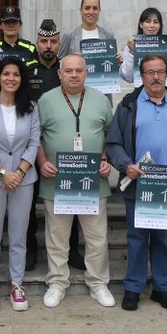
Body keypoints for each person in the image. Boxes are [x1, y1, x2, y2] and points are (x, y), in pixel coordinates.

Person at [106, 54, 167, 311]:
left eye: (160, 72)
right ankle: (133, 288)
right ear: (142, 76)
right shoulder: (128, 105)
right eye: (150, 72)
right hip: (138, 183)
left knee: (161, 238)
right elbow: (113, 143)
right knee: (136, 238)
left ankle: (162, 287)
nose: (156, 77)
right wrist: (127, 165)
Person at [36, 54, 114, 309]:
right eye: (68, 71)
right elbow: (35, 136)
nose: (73, 75)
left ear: (86, 73)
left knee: (97, 237)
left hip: (93, 181)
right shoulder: (45, 100)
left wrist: (106, 159)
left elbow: (111, 135)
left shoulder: (100, 100)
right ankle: (57, 282)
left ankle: (98, 283)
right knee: (57, 236)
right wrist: (42, 162)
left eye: (78, 70)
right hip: (57, 181)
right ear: (59, 74)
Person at [0, 57, 39, 312]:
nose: (11, 78)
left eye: (16, 74)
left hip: (23, 181)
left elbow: (34, 143)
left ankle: (17, 284)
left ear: (21, 79)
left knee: (18, 236)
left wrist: (19, 172)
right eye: (6, 74)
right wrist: (3, 172)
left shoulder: (31, 107)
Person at [26, 20, 84, 272]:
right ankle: (30, 249)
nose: (48, 46)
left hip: (64, 149)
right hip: (32, 147)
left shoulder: (67, 71)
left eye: (53, 41)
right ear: (37, 43)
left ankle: (72, 250)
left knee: (70, 200)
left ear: (60, 44)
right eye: (44, 41)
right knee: (28, 203)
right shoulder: (28, 71)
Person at [119, 7, 167, 94]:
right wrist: (131, 52)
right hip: (140, 95)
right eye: (148, 21)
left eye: (156, 22)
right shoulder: (131, 45)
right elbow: (128, 77)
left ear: (160, 25)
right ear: (141, 24)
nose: (152, 25)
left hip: (165, 95)